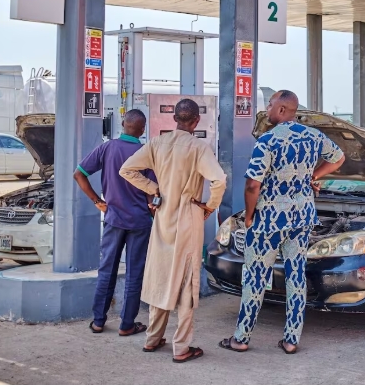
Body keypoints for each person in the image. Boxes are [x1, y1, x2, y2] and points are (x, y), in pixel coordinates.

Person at [219, 90, 345, 355]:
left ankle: (241, 338)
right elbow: (338, 158)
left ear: (283, 109)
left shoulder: (267, 141)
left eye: (270, 105)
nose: (267, 109)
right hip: (302, 218)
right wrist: (313, 176)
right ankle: (291, 340)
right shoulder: (313, 136)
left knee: (255, 278)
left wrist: (249, 216)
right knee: (295, 276)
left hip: (269, 220)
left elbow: (252, 185)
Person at [119, 99, 226, 364]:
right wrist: (210, 206)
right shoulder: (198, 148)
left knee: (161, 275)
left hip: (162, 215)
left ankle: (152, 339)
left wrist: (154, 189)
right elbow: (219, 179)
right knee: (186, 281)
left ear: (175, 119)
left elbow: (127, 170)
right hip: (188, 217)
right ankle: (181, 347)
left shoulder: (157, 143)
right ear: (196, 121)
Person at [76, 109, 156, 336]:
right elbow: (152, 194)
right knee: (134, 273)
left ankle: (98, 321)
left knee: (107, 270)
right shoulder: (146, 153)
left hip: (113, 219)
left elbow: (79, 174)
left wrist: (97, 201)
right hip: (140, 222)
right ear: (143, 129)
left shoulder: (107, 148)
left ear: (122, 124)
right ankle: (127, 324)